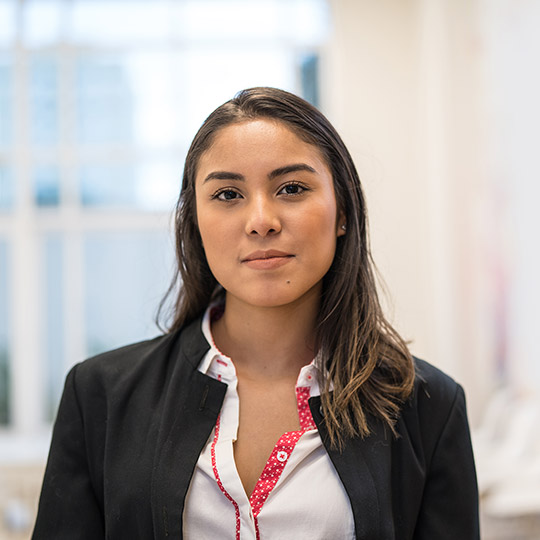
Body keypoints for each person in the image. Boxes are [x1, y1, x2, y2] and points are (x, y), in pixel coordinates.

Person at [33, 87, 479, 539]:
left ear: (342, 210)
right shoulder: (100, 396)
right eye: (228, 194)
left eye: (292, 188)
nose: (261, 220)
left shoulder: (427, 407)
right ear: (195, 222)